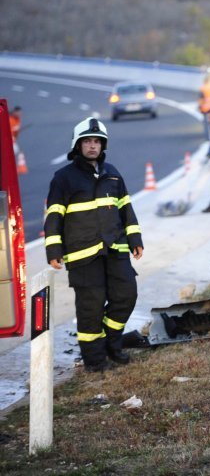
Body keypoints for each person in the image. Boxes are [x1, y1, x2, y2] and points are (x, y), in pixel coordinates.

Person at [44, 118, 143, 372]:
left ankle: (112, 343)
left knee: (126, 296)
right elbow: (54, 215)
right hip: (82, 255)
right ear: (78, 145)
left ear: (103, 145)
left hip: (116, 250)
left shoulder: (112, 173)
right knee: (91, 308)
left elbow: (126, 209)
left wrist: (135, 239)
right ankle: (95, 362)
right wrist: (53, 249)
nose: (92, 146)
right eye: (87, 141)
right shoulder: (63, 178)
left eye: (97, 141)